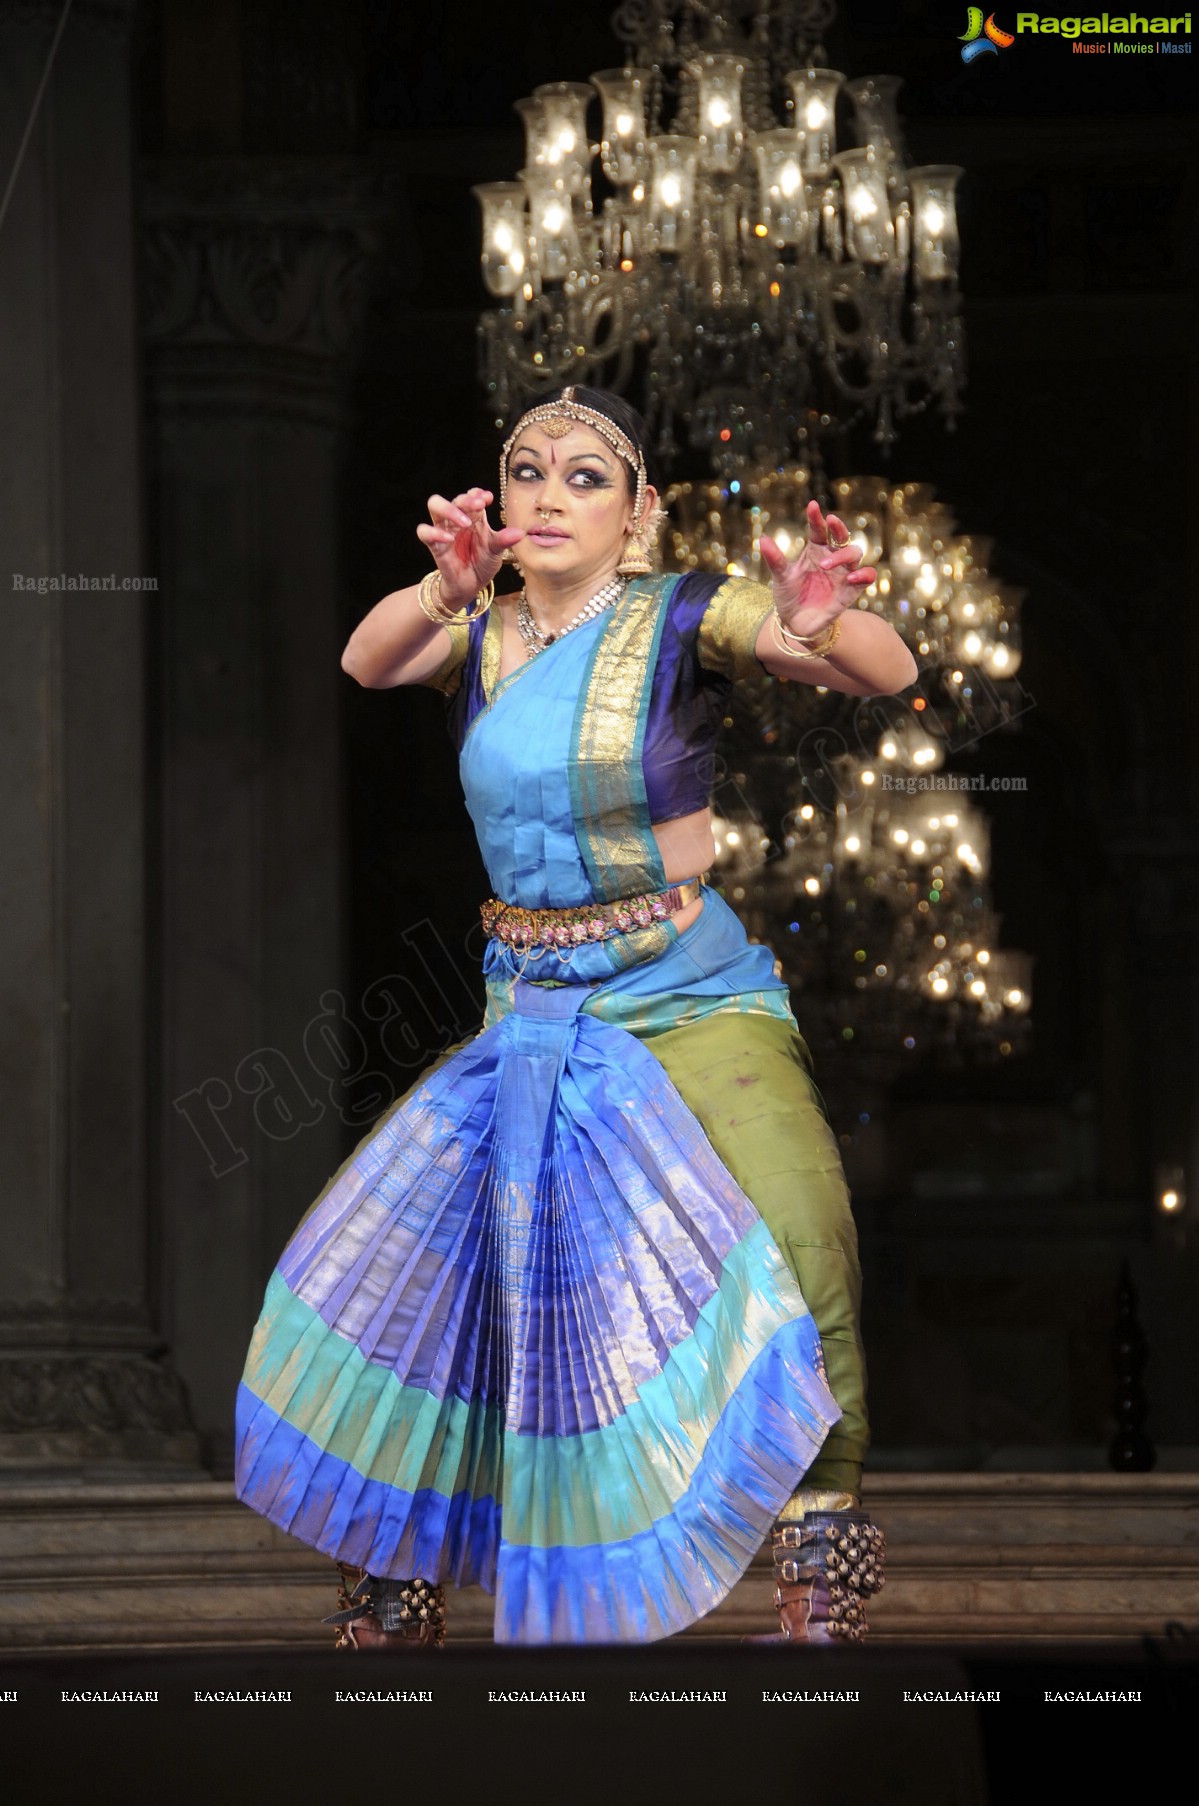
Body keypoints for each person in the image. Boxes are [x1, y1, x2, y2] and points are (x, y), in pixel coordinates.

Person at [234, 385, 918, 1648]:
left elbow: (890, 671)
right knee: (416, 1267)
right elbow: (364, 658)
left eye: (585, 477)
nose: (549, 496)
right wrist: (444, 587)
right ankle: (395, 1583)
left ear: (638, 512)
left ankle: (818, 1568)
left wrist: (830, 625)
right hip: (530, 1010)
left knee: (798, 1223)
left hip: (683, 994)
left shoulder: (682, 616)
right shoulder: (478, 634)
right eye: (527, 472)